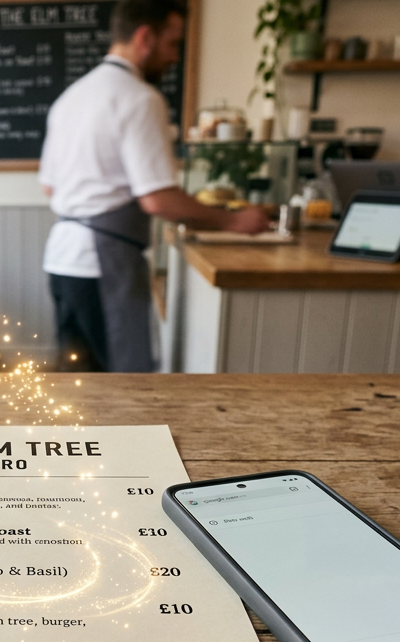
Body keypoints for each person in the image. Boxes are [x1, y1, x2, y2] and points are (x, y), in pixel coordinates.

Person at [39, 0, 268, 372]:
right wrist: (233, 221)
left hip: (62, 261)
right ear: (145, 37)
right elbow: (158, 199)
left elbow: (50, 188)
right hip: (103, 266)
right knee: (125, 390)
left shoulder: (70, 98)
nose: (174, 57)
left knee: (76, 389)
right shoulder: (140, 98)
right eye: (172, 44)